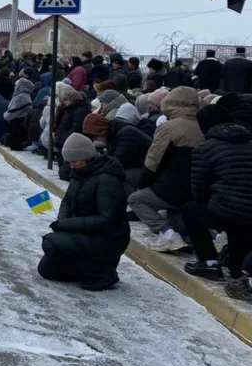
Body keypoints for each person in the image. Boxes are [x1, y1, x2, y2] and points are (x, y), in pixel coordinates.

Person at [37, 133, 130, 291]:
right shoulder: (80, 173)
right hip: (83, 232)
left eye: (74, 161)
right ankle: (85, 269)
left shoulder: (107, 180)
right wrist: (63, 222)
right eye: (69, 162)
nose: (71, 166)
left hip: (108, 239)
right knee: (46, 270)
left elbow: (106, 220)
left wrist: (66, 225)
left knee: (52, 243)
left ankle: (103, 272)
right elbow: (67, 200)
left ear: (87, 157)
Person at [180, 105, 252, 282]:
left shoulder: (204, 148)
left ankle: (209, 262)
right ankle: (237, 267)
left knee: (191, 210)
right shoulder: (249, 143)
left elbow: (198, 189)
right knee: (240, 219)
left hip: (225, 208)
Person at [128, 87, 204, 253]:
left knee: (136, 199)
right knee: (175, 210)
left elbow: (153, 160)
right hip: (198, 187)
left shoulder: (169, 127)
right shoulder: (203, 125)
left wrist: (144, 183)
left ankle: (167, 233)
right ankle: (187, 237)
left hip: (173, 185)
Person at [106, 102, 152, 194]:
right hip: (142, 167)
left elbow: (120, 160)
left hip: (146, 170)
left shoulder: (127, 133)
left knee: (117, 176)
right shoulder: (121, 132)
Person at [3, 77, 35, 151]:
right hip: (19, 121)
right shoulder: (23, 95)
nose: (15, 87)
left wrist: (5, 115)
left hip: (18, 122)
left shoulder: (21, 97)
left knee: (15, 144)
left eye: (16, 85)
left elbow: (13, 111)